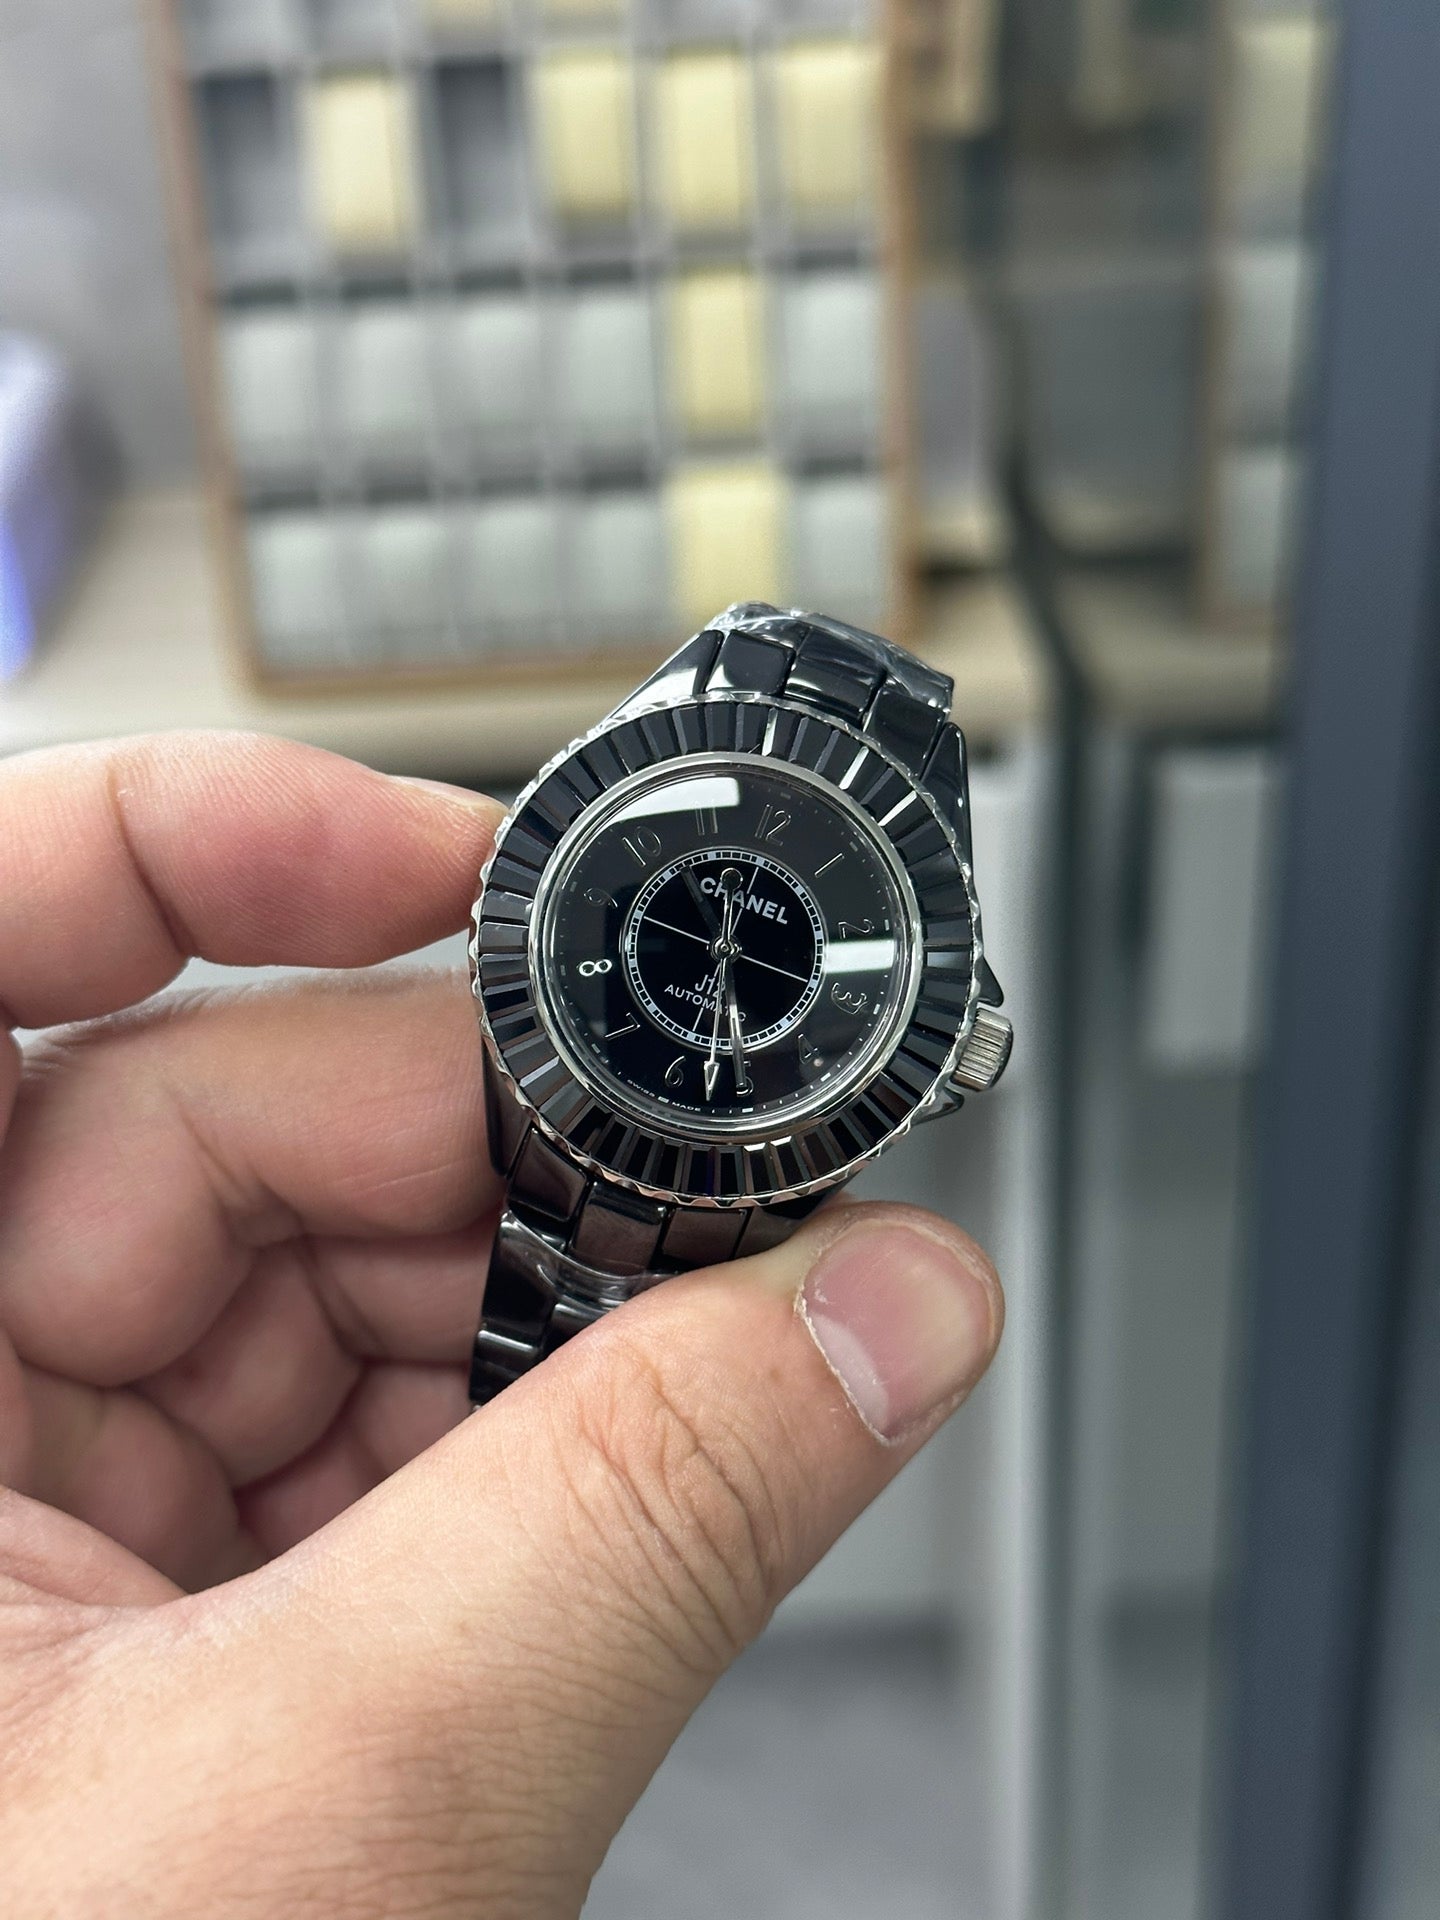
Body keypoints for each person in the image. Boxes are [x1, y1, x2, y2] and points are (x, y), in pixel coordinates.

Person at [0, 732, 1003, 1917]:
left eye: (746, 946)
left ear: (948, 1046)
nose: (727, 947)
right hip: (563, 1131)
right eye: (709, 932)